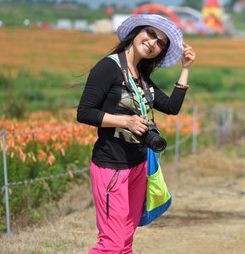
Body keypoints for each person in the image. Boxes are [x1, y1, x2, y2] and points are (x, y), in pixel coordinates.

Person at [77, 14, 195, 254]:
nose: (153, 43)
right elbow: (85, 112)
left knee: (126, 242)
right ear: (137, 32)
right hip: (112, 166)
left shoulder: (141, 76)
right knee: (111, 244)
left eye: (160, 43)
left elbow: (172, 108)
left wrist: (185, 69)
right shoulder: (108, 67)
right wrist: (126, 121)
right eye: (151, 34)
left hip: (138, 166)